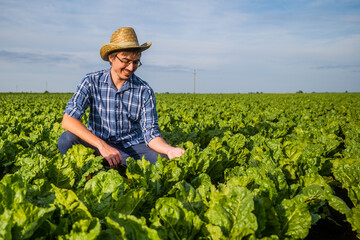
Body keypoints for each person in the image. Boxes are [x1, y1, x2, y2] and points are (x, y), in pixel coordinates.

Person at [58, 27, 185, 168]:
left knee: (163, 161)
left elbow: (151, 134)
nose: (131, 67)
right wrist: (102, 145)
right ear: (111, 58)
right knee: (66, 139)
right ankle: (90, 173)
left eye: (136, 62)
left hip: (131, 148)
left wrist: (170, 150)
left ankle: (119, 168)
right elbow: (68, 120)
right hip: (97, 146)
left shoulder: (144, 90)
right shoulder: (91, 81)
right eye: (125, 61)